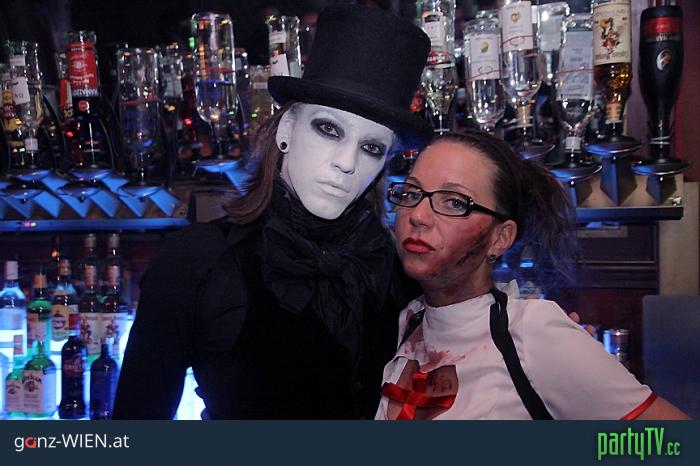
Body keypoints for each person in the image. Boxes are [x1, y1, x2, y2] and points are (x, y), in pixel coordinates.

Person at [113, 4, 430, 419]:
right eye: (329, 129)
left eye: (371, 147)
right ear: (286, 130)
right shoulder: (195, 262)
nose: (346, 163)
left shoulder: (398, 272)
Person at [375, 131, 690, 420]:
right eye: (411, 193)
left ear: (500, 238)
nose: (418, 215)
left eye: (455, 202)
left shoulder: (534, 332)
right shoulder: (407, 322)